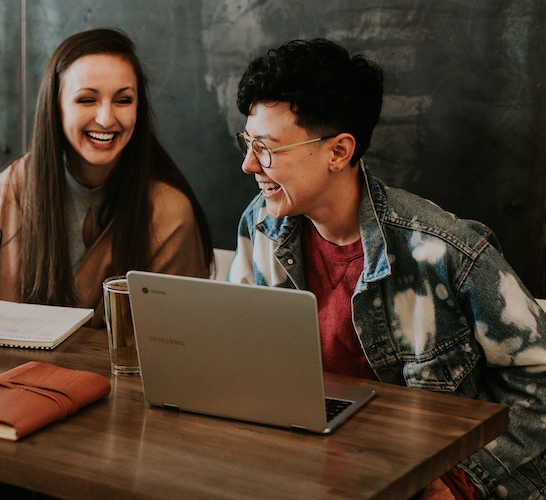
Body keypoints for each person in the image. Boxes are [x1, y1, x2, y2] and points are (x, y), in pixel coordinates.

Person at [228, 38, 546, 498]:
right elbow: (237, 358)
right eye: (247, 142)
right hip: (301, 467)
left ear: (339, 152)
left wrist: (461, 480)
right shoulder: (260, 225)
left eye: (266, 147)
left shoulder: (445, 251)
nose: (248, 164)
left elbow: (538, 381)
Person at [0, 28, 213, 326]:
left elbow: (180, 338)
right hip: (9, 371)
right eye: (87, 100)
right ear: (56, 107)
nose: (106, 119)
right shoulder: (17, 184)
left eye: (123, 100)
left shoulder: (169, 212)